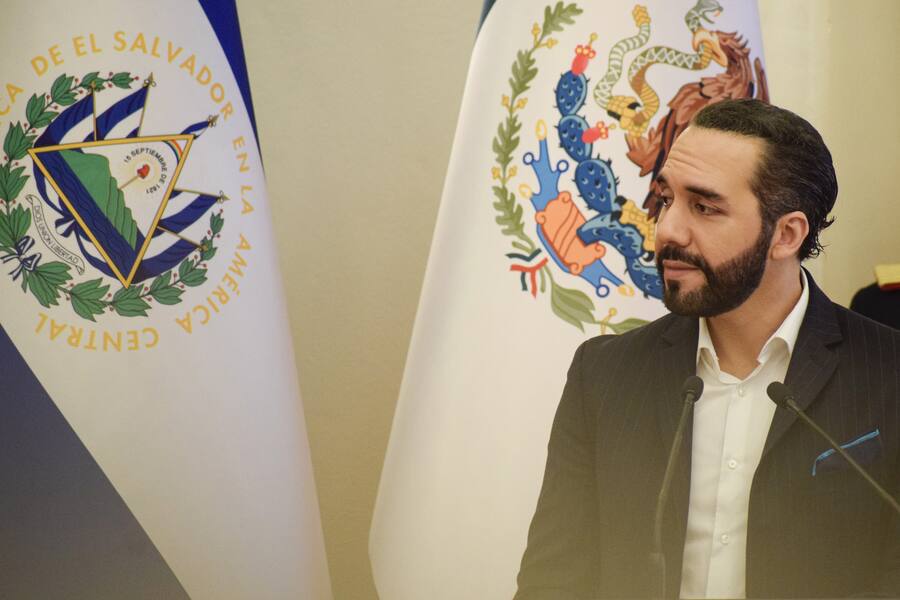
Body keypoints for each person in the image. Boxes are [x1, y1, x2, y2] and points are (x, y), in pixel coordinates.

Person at [514, 99, 900, 599]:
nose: (668, 230)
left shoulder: (889, 371)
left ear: (786, 234)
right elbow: (555, 578)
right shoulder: (604, 373)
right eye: (666, 200)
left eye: (704, 206)